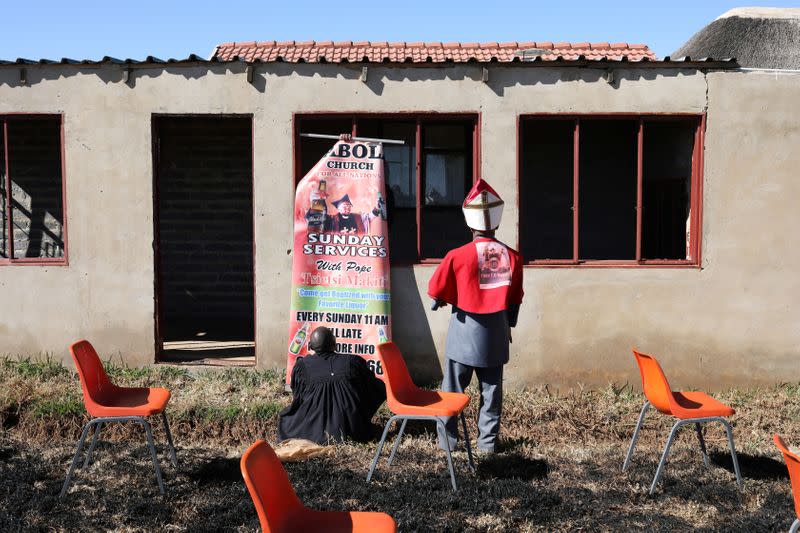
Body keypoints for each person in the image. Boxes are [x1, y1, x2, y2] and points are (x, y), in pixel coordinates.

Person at [428, 179, 523, 454]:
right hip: (496, 333)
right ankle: (487, 444)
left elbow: (436, 292)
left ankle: (448, 443)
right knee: (491, 393)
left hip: (463, 333)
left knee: (452, 391)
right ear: (495, 223)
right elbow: (515, 298)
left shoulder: (457, 256)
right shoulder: (513, 257)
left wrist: (441, 302)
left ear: (470, 224)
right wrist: (510, 324)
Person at [278, 326, 386, 444]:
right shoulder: (353, 362)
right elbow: (373, 388)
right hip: (351, 430)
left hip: (311, 430)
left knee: (288, 417)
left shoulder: (302, 366)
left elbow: (298, 395)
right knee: (376, 387)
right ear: (334, 345)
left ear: (311, 347)